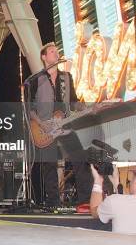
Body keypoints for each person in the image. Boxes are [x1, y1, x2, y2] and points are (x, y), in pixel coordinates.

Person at [29, 42, 92, 210]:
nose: (56, 54)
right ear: (44, 57)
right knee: (49, 166)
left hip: (65, 125)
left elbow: (73, 101)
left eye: (57, 51)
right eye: (52, 51)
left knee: (80, 159)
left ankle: (85, 200)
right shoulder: (36, 79)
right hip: (44, 128)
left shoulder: (66, 77)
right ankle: (53, 203)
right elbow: (29, 107)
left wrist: (86, 108)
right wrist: (42, 124)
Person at [90, 165, 136, 235]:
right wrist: (116, 183)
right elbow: (130, 203)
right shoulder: (117, 201)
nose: (130, 182)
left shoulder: (114, 201)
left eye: (130, 181)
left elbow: (94, 211)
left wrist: (98, 181)